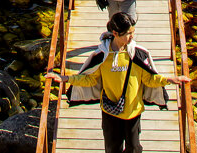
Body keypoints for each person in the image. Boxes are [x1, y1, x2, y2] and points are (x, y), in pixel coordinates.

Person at [49, 12, 189, 153]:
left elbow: (149, 79)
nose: (132, 36)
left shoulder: (138, 55)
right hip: (110, 112)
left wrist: (171, 80)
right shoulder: (102, 56)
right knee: (112, 150)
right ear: (115, 33)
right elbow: (90, 79)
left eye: (133, 32)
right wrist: (66, 79)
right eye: (128, 33)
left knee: (134, 149)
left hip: (133, 112)